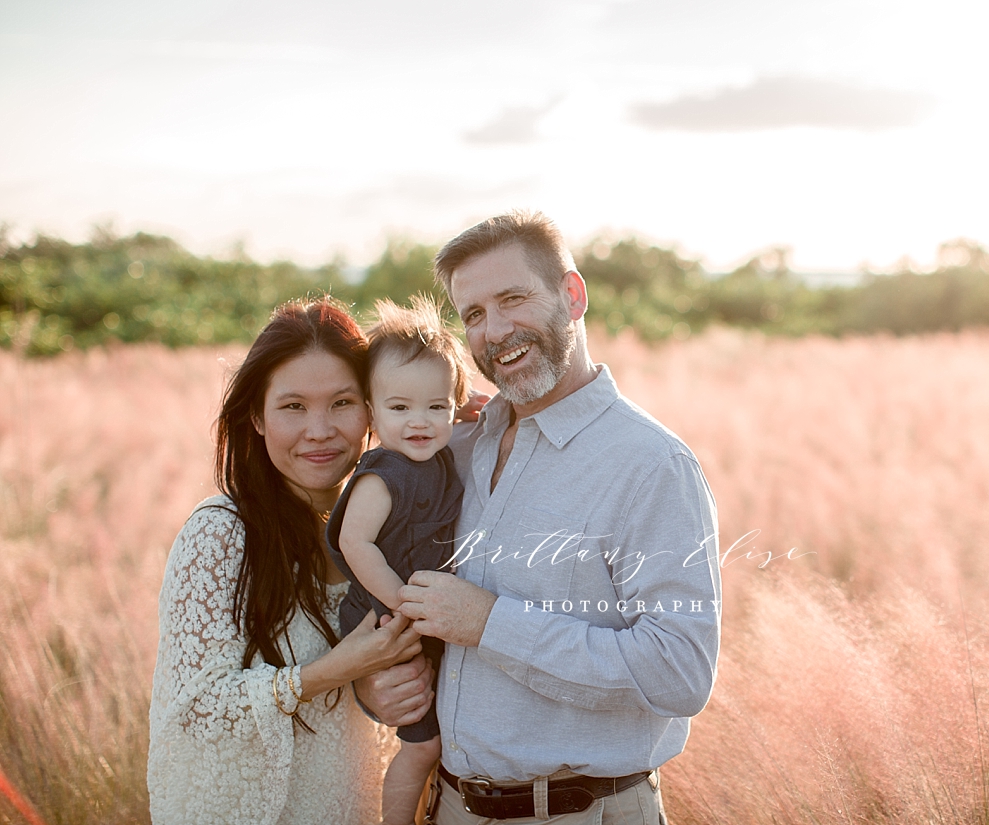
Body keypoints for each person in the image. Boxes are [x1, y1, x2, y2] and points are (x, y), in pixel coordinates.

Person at [395, 211, 723, 824]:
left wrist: (491, 624)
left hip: (579, 813)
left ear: (571, 296)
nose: (494, 331)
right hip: (449, 808)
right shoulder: (463, 446)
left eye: (512, 299)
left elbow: (681, 671)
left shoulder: (651, 465)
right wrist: (379, 687)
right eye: (473, 315)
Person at [147, 297, 437, 825]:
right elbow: (193, 712)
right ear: (257, 416)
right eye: (294, 406)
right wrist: (336, 671)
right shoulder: (221, 533)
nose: (320, 430)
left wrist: (369, 688)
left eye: (342, 403)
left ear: (373, 407)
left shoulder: (387, 533)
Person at [324, 296, 470, 825]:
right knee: (422, 745)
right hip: (386, 616)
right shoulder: (383, 473)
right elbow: (354, 545)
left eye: (436, 407)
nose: (420, 422)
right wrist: (401, 603)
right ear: (371, 409)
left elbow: (454, 403)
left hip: (422, 616)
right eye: (399, 407)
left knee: (445, 735)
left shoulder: (438, 456)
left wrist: (463, 404)